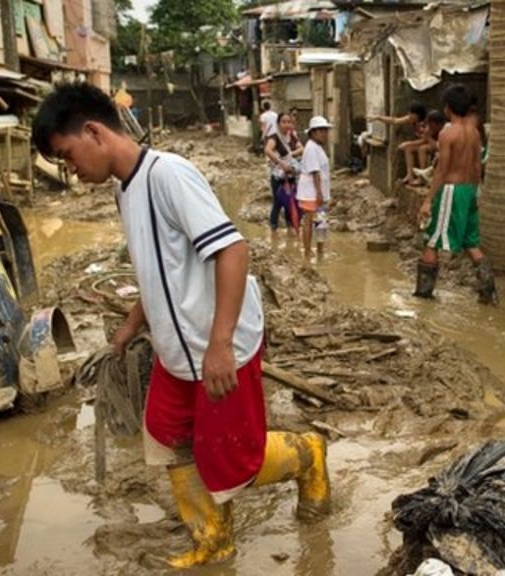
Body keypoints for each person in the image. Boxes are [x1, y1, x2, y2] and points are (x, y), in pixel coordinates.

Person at [32, 83, 330, 568]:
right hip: (177, 349)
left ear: (93, 132)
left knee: (237, 462)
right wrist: (130, 327)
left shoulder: (170, 175)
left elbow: (232, 250)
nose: (70, 171)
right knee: (167, 435)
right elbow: (159, 270)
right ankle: (213, 537)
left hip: (216, 344)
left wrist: (220, 345)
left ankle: (308, 454)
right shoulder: (123, 191)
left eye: (67, 157)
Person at [415, 84, 497, 305]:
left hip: (452, 190)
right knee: (471, 242)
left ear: (448, 108)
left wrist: (428, 200)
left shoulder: (448, 133)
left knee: (432, 240)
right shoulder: (474, 133)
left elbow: (442, 170)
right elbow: (479, 165)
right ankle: (488, 290)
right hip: (470, 189)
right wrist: (478, 190)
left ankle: (423, 295)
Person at [298, 116, 334, 262]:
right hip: (311, 193)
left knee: (321, 222)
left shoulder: (317, 147)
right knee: (309, 220)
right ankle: (307, 252)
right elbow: (315, 172)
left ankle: (319, 250)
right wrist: (319, 193)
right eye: (321, 131)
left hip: (319, 192)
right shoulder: (311, 148)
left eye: (326, 131)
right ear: (313, 133)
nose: (324, 134)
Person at [264, 112, 303, 240]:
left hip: (291, 174)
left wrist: (289, 155)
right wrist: (281, 162)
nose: (287, 125)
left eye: (289, 122)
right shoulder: (274, 137)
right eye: (284, 122)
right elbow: (268, 150)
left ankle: (290, 227)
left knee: (289, 200)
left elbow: (301, 148)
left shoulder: (292, 136)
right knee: (277, 202)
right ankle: (273, 228)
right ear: (278, 123)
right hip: (278, 175)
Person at [369, 103, 428, 186]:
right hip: (423, 141)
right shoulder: (411, 120)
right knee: (408, 149)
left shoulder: (425, 124)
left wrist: (409, 143)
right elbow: (395, 121)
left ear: (418, 115)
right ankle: (410, 175)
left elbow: (426, 140)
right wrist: (378, 117)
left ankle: (423, 176)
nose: (409, 115)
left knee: (420, 148)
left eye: (412, 114)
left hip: (432, 143)